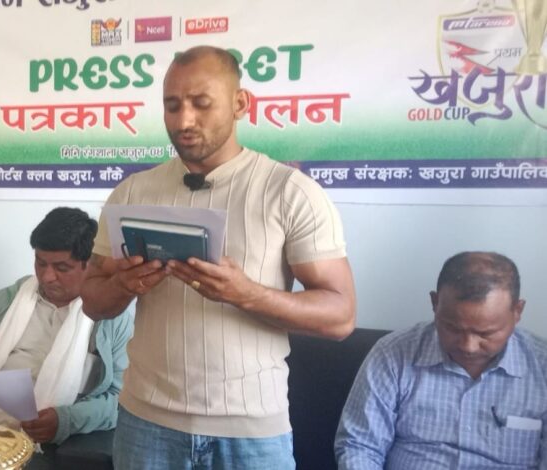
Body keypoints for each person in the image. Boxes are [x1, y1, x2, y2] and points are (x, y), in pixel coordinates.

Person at [80, 46, 356, 469]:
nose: (184, 121)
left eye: (201, 103)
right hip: (146, 425)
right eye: (172, 106)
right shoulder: (132, 193)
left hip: (251, 432)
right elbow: (92, 302)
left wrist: (246, 293)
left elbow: (340, 317)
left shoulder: (289, 192)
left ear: (240, 103)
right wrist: (122, 284)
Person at [335, 251, 547, 470]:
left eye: (485, 334)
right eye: (453, 328)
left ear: (517, 311)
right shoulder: (393, 354)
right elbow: (360, 446)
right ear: (435, 303)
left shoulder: (542, 367)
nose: (468, 346)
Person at [0, 207, 133, 458]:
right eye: (40, 263)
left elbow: (123, 399)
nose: (47, 276)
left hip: (47, 443)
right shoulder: (8, 300)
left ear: (90, 265)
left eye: (62, 268)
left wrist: (66, 420)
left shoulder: (112, 318)